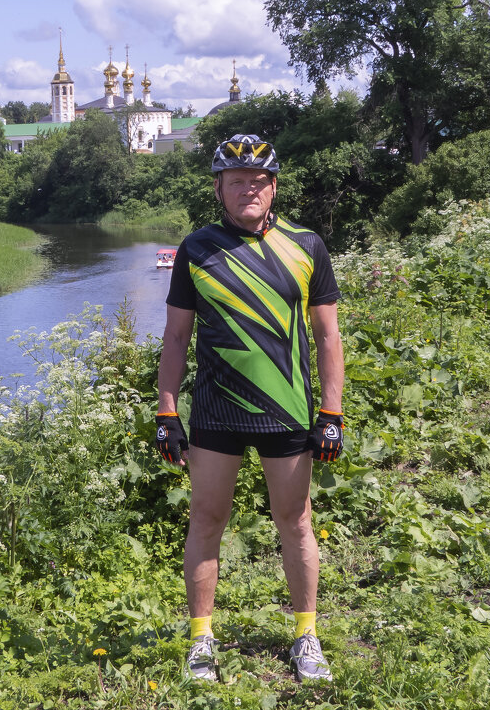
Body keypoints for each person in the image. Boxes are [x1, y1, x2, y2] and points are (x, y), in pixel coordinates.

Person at [154, 133, 345, 683]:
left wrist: (331, 414)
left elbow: (328, 336)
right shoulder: (196, 249)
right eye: (236, 181)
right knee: (205, 520)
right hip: (217, 413)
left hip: (289, 410)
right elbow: (175, 337)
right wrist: (167, 412)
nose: (249, 190)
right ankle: (201, 641)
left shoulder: (307, 245)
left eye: (259, 181)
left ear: (274, 187)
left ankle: (306, 636)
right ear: (219, 189)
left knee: (297, 521)